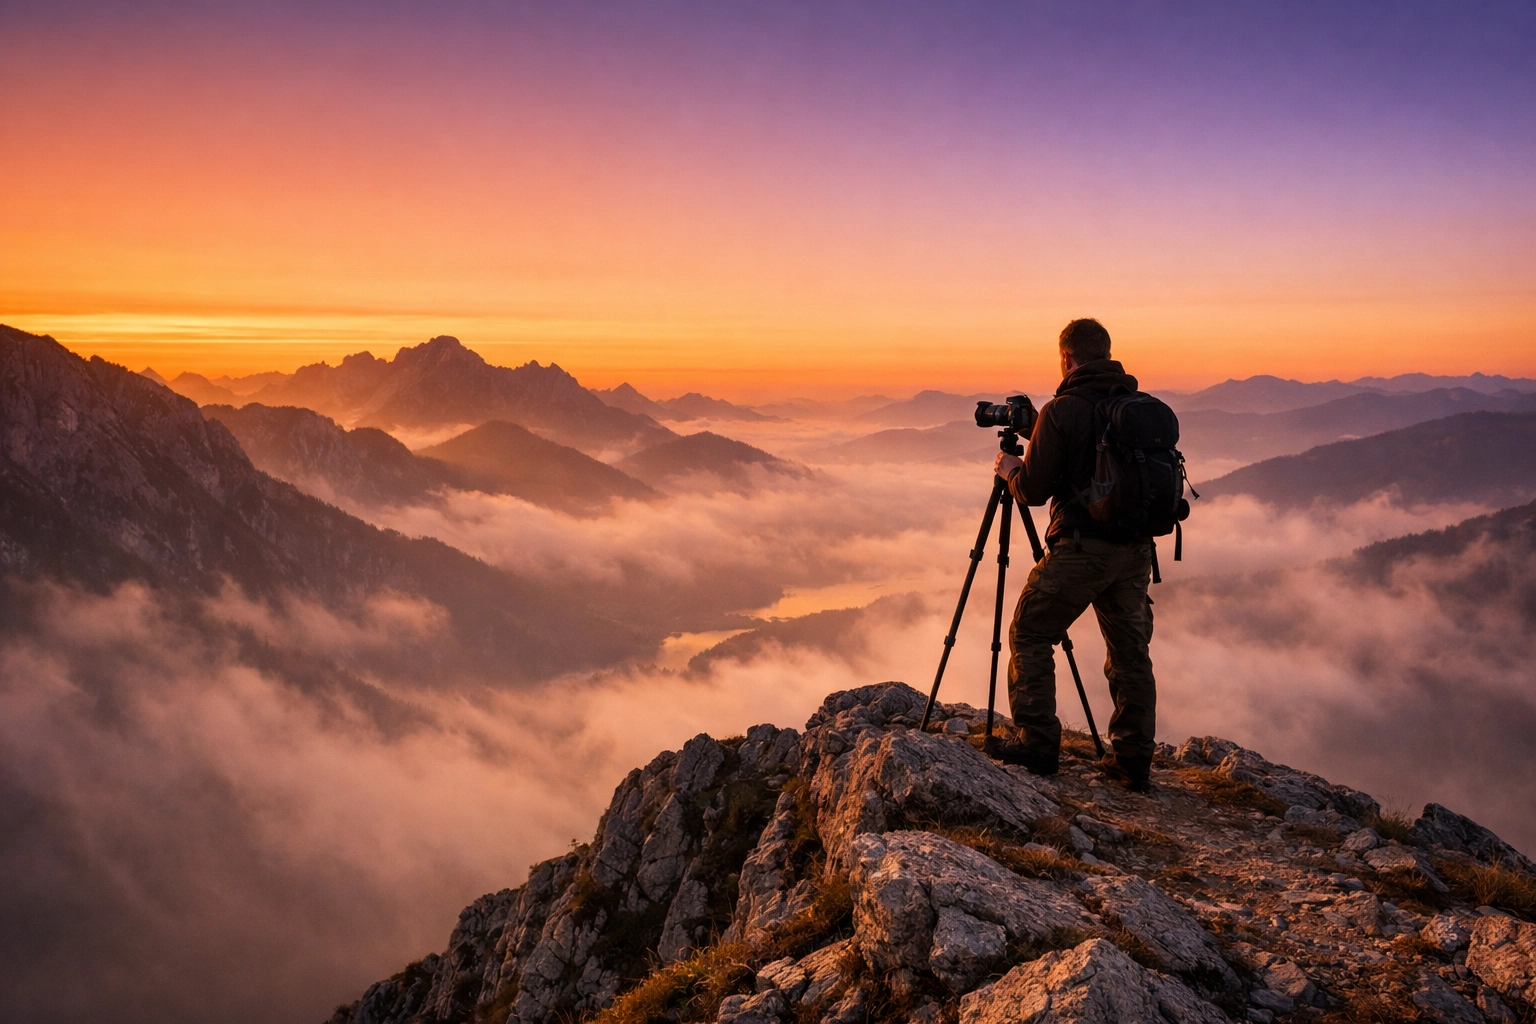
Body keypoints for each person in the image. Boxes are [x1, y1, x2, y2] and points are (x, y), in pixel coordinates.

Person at [990, 318, 1157, 792]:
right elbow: (1094, 460)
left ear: (1066, 358)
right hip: (1136, 551)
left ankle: (1037, 743)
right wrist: (1040, 434)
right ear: (1106, 353)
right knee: (1130, 654)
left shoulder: (1063, 410)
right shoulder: (1133, 406)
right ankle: (1133, 761)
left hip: (1083, 549)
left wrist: (1010, 470)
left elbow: (1032, 491)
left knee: (1029, 630)